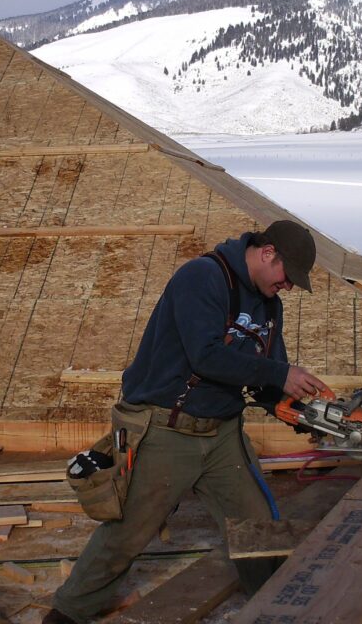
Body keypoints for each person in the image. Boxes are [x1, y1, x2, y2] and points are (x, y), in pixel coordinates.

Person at [43, 220, 329, 624]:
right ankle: (68, 612)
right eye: (288, 276)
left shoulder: (269, 306)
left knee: (257, 524)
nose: (289, 287)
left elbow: (267, 374)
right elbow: (205, 355)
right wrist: (280, 376)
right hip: (166, 428)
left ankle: (276, 604)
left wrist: (305, 415)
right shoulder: (203, 277)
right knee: (128, 531)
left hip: (222, 433)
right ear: (268, 254)